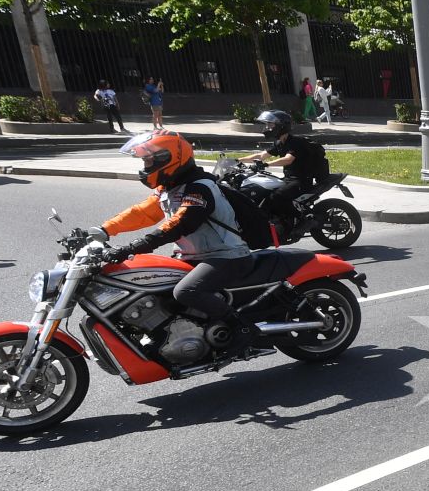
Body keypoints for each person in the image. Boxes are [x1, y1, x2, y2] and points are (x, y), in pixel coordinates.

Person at [95, 131, 255, 349]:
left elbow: (179, 225)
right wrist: (103, 230)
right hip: (192, 256)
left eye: (149, 160)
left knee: (187, 291)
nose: (145, 165)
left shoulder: (199, 187)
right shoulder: (169, 188)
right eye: (144, 160)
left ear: (168, 159)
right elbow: (142, 213)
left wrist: (131, 248)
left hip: (226, 256)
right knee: (152, 286)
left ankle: (241, 326)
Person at [247, 109, 330, 216]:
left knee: (276, 197)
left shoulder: (296, 142)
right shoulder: (279, 143)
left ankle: (301, 219)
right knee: (265, 192)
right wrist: (236, 160)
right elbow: (261, 155)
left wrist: (266, 164)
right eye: (267, 125)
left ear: (281, 126)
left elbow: (288, 159)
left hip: (301, 181)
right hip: (288, 179)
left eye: (270, 125)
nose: (268, 128)